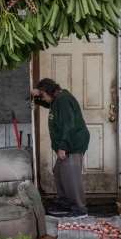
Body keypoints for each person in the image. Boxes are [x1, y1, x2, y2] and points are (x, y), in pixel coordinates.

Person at [32, 78, 90, 217]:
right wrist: (35, 97)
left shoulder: (63, 100)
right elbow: (49, 104)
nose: (43, 98)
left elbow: (68, 125)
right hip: (68, 143)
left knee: (71, 176)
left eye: (42, 95)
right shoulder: (57, 99)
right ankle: (65, 202)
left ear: (48, 92)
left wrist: (63, 146)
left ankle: (79, 209)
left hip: (72, 143)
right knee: (59, 171)